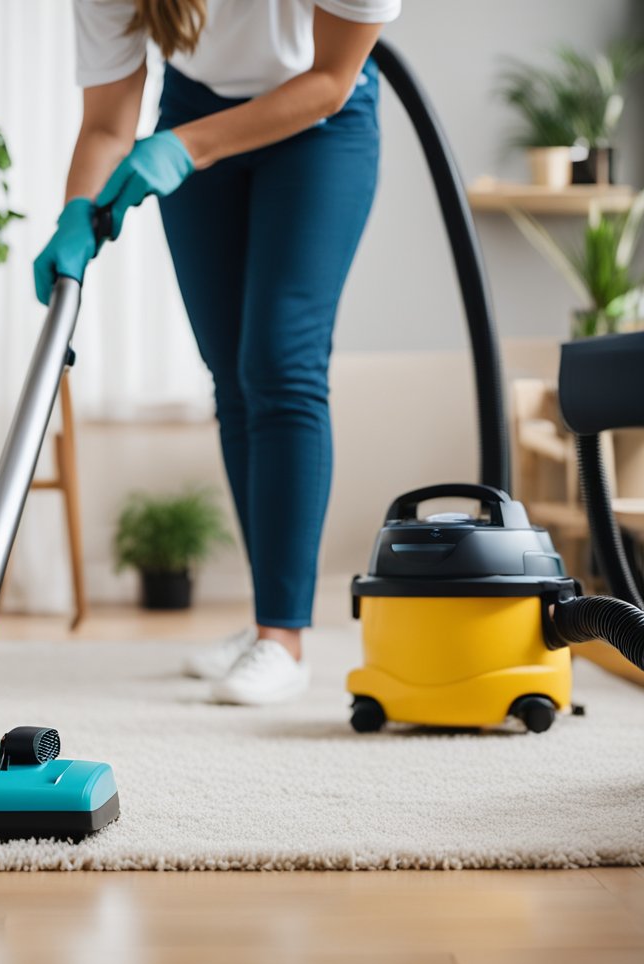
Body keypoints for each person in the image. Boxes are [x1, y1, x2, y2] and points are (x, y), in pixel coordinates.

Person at [35, 0, 401, 705]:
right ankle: (270, 619)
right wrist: (76, 215)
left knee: (281, 364)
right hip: (194, 111)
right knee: (232, 377)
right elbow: (110, 124)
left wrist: (187, 146)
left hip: (323, 120)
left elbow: (330, 76)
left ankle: (284, 638)